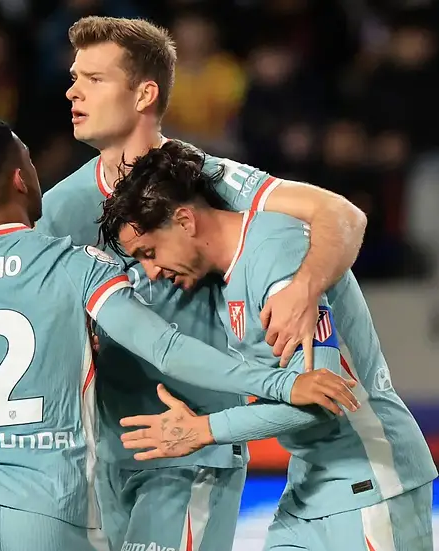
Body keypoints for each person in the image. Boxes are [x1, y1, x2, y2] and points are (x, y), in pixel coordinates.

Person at [0, 117, 359, 551]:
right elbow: (165, 347)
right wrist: (281, 382)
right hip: (43, 501)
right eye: (28, 158)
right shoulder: (70, 264)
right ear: (20, 178)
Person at [36, 16, 368, 550]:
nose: (73, 91)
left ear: (145, 93)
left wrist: (305, 287)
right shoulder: (57, 210)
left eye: (94, 79)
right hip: (105, 459)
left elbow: (342, 216)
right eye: (74, 77)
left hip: (193, 452)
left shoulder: (207, 182)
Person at [98, 141, 439, 551]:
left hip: (369, 482)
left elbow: (321, 396)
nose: (151, 271)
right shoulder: (228, 278)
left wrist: (203, 430)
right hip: (310, 488)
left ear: (185, 220)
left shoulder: (276, 253)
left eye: (150, 253)